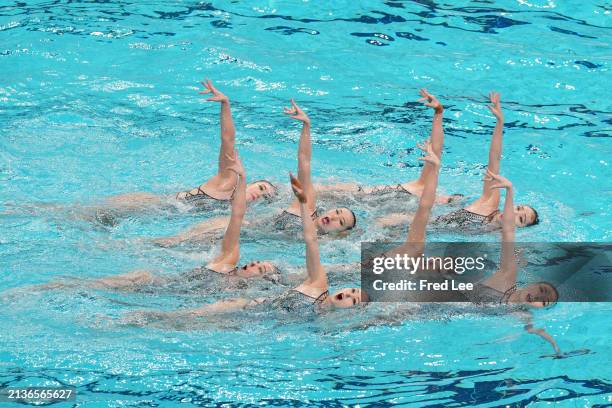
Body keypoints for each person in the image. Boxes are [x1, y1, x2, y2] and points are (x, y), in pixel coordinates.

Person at [125, 140, 443, 323]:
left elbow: (420, 221)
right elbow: (420, 219)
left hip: (277, 293)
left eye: (340, 219)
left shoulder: (372, 279)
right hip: (283, 274)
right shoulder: (345, 271)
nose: (332, 214)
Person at [19, 153, 281, 294]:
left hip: (160, 287)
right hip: (151, 209)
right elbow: (235, 216)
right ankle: (21, 211)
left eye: (260, 269)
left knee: (95, 283)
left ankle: (41, 290)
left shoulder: (233, 293)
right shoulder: (224, 194)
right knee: (70, 213)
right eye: (259, 186)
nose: (255, 262)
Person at [151, 99, 357, 247]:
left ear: (340, 234)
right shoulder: (305, 206)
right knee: (223, 223)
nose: (334, 217)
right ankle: (165, 242)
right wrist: (306, 126)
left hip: (251, 239)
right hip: (241, 229)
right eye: (337, 212)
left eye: (341, 222)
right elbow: (304, 162)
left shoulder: (320, 243)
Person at [96, 80, 276, 217]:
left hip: (154, 217)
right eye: (261, 188)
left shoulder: (232, 212)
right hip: (146, 204)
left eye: (264, 197)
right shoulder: (228, 183)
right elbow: (227, 140)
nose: (258, 195)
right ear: (250, 183)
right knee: (83, 215)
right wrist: (225, 105)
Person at [452, 170, 560, 354]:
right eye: (541, 291)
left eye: (544, 302)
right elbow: (508, 232)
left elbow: (533, 329)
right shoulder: (507, 278)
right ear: (532, 285)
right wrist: (509, 191)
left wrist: (556, 348)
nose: (538, 298)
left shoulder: (521, 313)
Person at [315, 89, 462, 206]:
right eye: (449, 198)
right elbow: (436, 150)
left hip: (358, 205)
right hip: (354, 193)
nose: (444, 199)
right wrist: (439, 113)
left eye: (448, 202)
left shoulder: (421, 206)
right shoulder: (422, 185)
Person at [434, 92, 539, 230]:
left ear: (518, 228)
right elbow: (494, 158)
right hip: (412, 223)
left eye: (520, 218)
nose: (513, 212)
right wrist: (500, 123)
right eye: (518, 208)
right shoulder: (489, 202)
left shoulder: (496, 237)